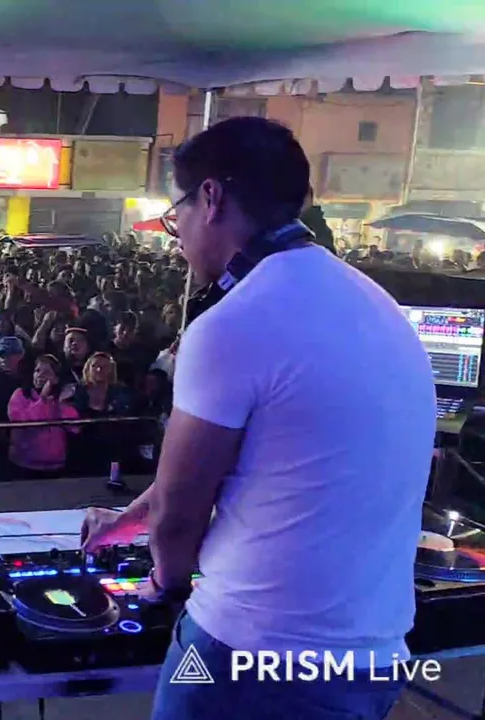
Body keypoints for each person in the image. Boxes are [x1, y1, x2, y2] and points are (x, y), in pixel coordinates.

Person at [80, 117, 435, 720]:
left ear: (211, 198)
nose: (177, 236)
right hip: (373, 658)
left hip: (252, 651)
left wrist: (164, 584)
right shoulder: (378, 304)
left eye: (176, 214)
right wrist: (126, 522)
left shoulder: (233, 323)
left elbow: (180, 513)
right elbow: (266, 468)